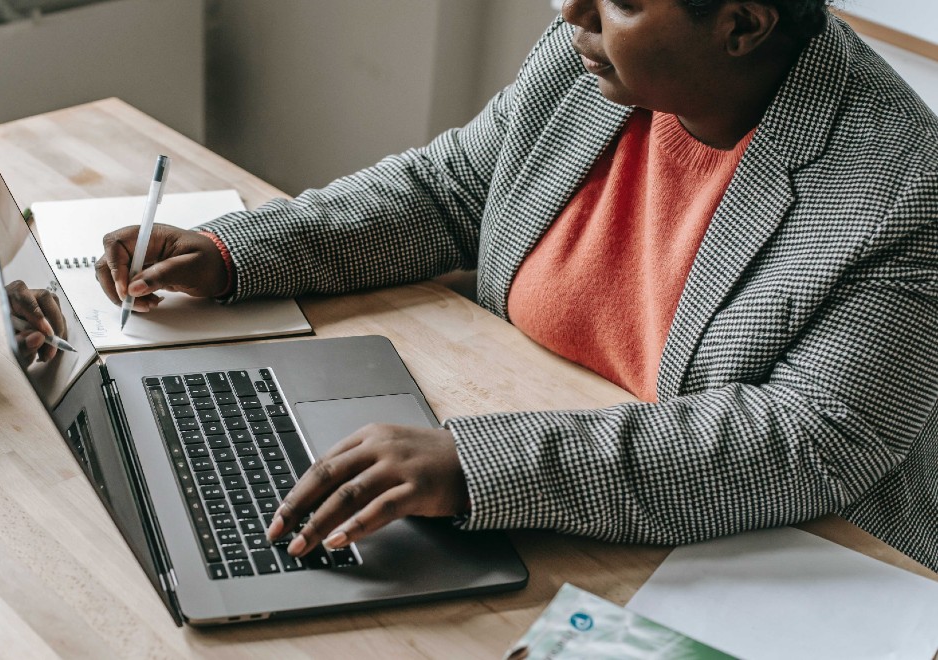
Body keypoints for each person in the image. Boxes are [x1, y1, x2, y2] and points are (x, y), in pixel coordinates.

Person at [96, 0, 938, 571]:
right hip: (559, 509)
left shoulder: (905, 184)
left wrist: (478, 465)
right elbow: (450, 191)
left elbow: (805, 444)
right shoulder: (592, 62)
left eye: (622, 0)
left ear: (743, 25)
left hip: (778, 558)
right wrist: (234, 252)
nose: (568, 7)